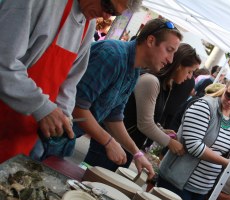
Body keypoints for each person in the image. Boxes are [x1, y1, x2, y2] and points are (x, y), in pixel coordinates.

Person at [0, 0, 141, 163]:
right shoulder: (40, 3)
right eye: (107, 7)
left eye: (114, 14)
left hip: (25, 134)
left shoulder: (87, 26)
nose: (106, 16)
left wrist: (64, 114)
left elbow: (69, 83)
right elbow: (4, 62)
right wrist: (42, 107)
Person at [70, 18, 183, 179]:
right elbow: (77, 107)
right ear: (150, 41)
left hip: (64, 137)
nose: (170, 60)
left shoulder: (134, 70)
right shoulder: (112, 55)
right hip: (42, 131)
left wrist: (136, 153)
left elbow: (114, 116)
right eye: (169, 50)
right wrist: (109, 142)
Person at [156, 73, 230, 200]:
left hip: (202, 189)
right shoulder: (204, 106)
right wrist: (227, 163)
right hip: (177, 181)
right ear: (225, 88)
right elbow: (194, 146)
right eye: (228, 95)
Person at [106, 43, 201, 169]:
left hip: (125, 145)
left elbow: (143, 116)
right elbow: (145, 123)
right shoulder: (151, 81)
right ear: (178, 66)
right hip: (116, 143)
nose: (189, 77)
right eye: (189, 71)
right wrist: (170, 143)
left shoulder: (164, 84)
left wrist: (161, 130)